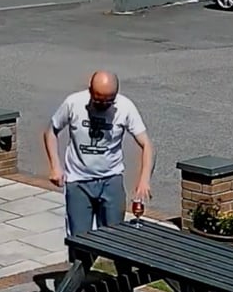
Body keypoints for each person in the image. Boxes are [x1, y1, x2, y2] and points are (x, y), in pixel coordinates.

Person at [43, 70, 155, 239]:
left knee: (114, 237)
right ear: (90, 91)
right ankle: (82, 266)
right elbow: (51, 131)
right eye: (97, 99)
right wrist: (55, 166)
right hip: (78, 181)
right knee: (80, 240)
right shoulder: (73, 103)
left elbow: (147, 144)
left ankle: (110, 266)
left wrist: (144, 180)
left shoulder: (125, 107)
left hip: (111, 179)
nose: (102, 105)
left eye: (108, 101)